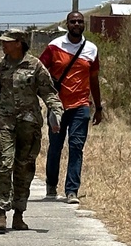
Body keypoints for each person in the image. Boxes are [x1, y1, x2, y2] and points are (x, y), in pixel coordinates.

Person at [0, 29, 62, 233]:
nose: (3, 45)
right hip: (6, 123)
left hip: (29, 123)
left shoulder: (35, 66)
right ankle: (1, 212)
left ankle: (19, 214)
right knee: (5, 164)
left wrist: (56, 113)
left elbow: (48, 92)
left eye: (7, 42)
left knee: (24, 168)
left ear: (19, 43)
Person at [40, 11, 103, 204]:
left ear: (84, 25)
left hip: (81, 105)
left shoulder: (91, 49)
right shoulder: (54, 46)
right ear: (67, 24)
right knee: (56, 147)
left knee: (76, 147)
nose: (76, 24)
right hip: (57, 106)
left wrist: (98, 107)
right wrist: (46, 97)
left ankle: (71, 191)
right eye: (73, 21)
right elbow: (40, 72)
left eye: (80, 22)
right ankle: (51, 185)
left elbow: (94, 79)